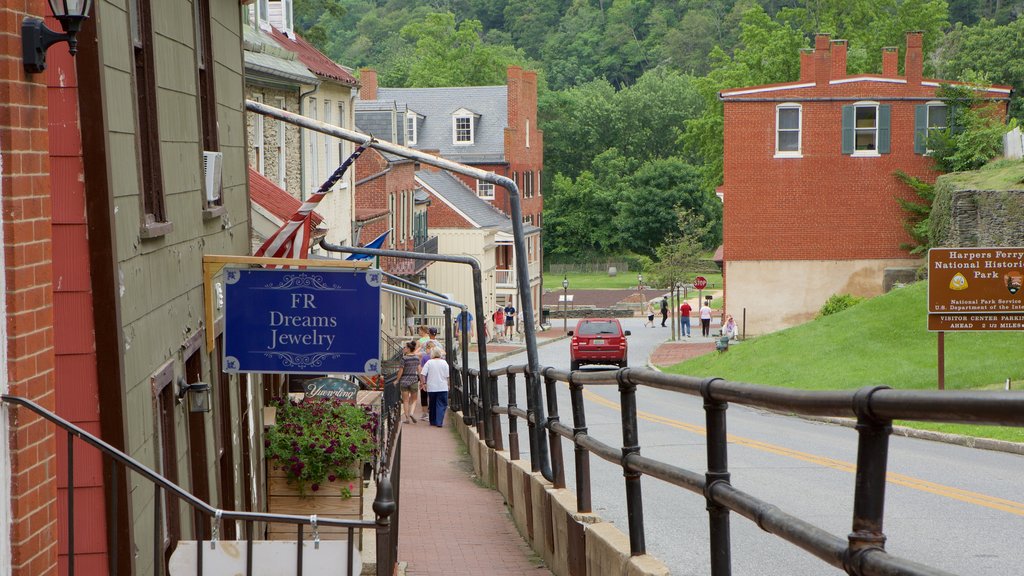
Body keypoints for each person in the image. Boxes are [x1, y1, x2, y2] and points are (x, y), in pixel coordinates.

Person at [420, 347, 450, 427]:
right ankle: (439, 422)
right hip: (442, 387)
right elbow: (447, 376)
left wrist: (424, 383)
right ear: (440, 354)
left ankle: (432, 421)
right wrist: (448, 384)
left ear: (432, 354)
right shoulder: (444, 363)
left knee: (432, 404)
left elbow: (423, 374)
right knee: (442, 404)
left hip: (432, 387)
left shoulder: (429, 362)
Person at [394, 341, 420, 423]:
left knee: (405, 400)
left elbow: (400, 371)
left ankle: (407, 418)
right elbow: (419, 370)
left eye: (405, 347)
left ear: (408, 349)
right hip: (414, 380)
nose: (404, 349)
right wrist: (422, 380)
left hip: (404, 380)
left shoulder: (404, 359)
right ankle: (411, 413)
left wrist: (397, 380)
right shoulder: (416, 358)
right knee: (414, 399)